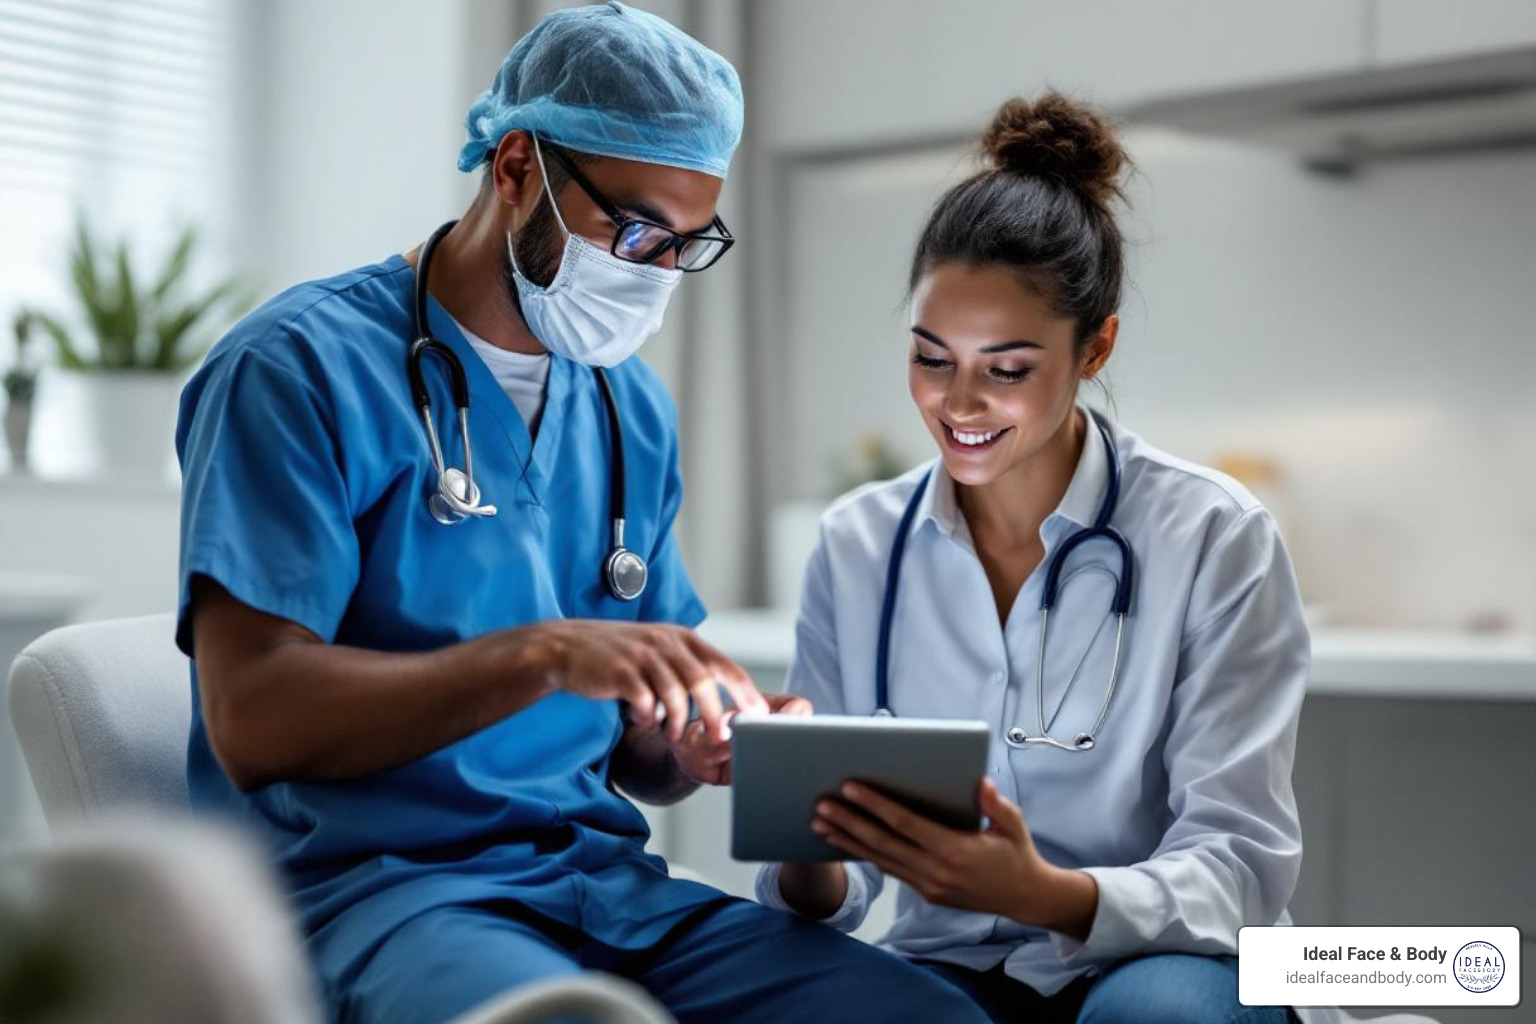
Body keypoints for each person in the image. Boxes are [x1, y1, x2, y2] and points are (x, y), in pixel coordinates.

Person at [175, 5, 990, 1024]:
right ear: (518, 167)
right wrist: (543, 655)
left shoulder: (627, 405)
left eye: (685, 246)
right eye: (635, 232)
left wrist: (698, 742)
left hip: (604, 890)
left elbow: (644, 762)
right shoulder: (297, 368)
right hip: (381, 896)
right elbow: (252, 720)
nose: (653, 275)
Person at [756, 92, 1309, 1024]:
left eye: (1007, 369)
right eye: (932, 358)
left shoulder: (1214, 535)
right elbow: (830, 893)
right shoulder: (858, 545)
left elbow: (1240, 870)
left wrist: (1041, 893)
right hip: (953, 965)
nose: (958, 403)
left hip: (1174, 959)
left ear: (1096, 348)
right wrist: (805, 831)